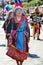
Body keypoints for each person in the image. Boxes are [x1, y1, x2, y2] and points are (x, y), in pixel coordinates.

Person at [6, 0, 30, 65]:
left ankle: (21, 63)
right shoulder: (12, 19)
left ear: (22, 12)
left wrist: (28, 35)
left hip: (23, 37)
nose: (19, 12)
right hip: (15, 37)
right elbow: (8, 28)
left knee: (23, 51)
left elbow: (27, 28)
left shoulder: (25, 19)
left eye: (20, 11)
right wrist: (9, 35)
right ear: (15, 12)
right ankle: (17, 63)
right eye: (17, 11)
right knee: (16, 52)